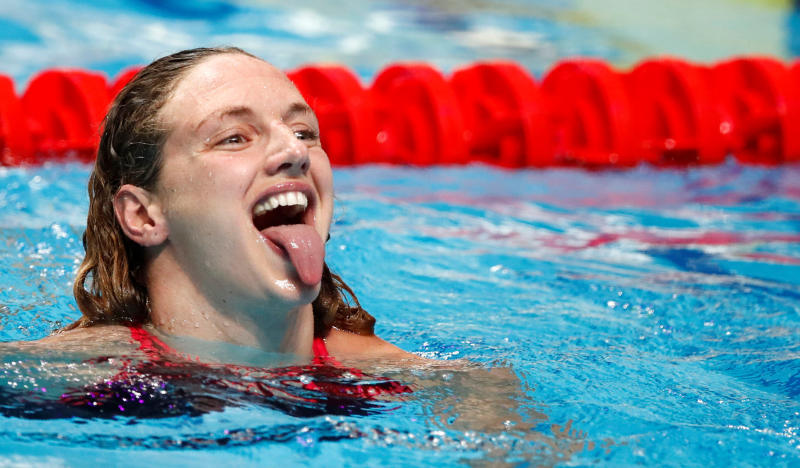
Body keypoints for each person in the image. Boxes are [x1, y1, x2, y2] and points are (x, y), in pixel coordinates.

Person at [38, 46, 418, 364]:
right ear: (143, 215)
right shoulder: (72, 374)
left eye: (303, 132)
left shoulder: (400, 381)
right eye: (234, 138)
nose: (295, 151)